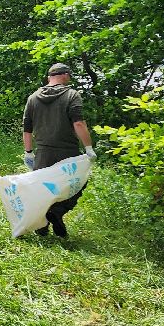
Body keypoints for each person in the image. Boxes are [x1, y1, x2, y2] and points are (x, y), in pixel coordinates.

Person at [22, 63, 96, 238]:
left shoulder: (33, 98)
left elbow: (27, 128)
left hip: (43, 152)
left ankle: (43, 223)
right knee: (76, 184)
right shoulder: (72, 95)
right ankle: (57, 211)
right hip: (67, 151)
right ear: (65, 76)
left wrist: (28, 152)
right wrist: (88, 147)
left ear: (49, 77)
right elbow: (78, 123)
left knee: (43, 189)